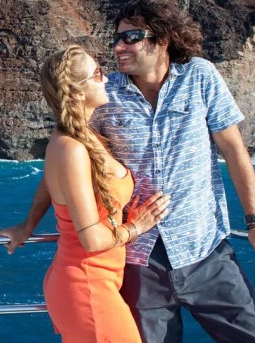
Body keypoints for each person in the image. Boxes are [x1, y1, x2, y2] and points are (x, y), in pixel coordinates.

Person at [0, 0, 255, 343]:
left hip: (206, 251)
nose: (118, 47)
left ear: (163, 39)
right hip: (140, 264)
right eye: (116, 38)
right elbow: (63, 165)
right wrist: (29, 223)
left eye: (131, 37)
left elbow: (234, 151)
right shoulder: (104, 94)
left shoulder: (200, 76)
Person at [38, 44, 170, 342]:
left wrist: (29, 224)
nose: (107, 79)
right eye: (97, 74)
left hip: (97, 281)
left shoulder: (83, 137)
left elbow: (54, 183)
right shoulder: (71, 148)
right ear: (76, 92)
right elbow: (92, 238)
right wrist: (137, 226)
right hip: (87, 287)